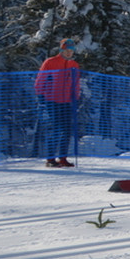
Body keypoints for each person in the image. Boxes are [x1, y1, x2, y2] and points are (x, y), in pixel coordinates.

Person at [34, 38, 81, 167]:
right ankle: (50, 159)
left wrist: (76, 97)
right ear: (61, 49)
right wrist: (40, 96)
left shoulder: (74, 65)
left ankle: (63, 158)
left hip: (66, 101)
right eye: (66, 50)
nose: (68, 53)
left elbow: (76, 83)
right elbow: (40, 80)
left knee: (66, 130)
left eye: (71, 50)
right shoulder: (50, 62)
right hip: (52, 100)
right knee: (56, 128)